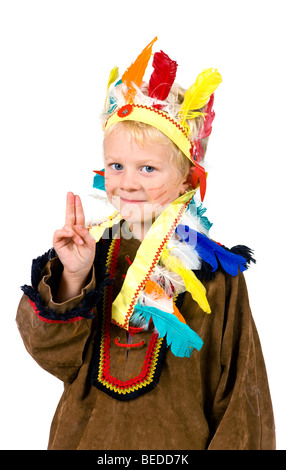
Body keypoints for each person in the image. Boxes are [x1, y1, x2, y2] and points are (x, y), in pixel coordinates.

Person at [16, 37, 275, 450]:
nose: (128, 182)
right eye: (116, 166)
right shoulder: (88, 252)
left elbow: (242, 392)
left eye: (148, 168)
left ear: (188, 179)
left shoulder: (216, 272)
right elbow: (53, 356)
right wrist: (74, 274)